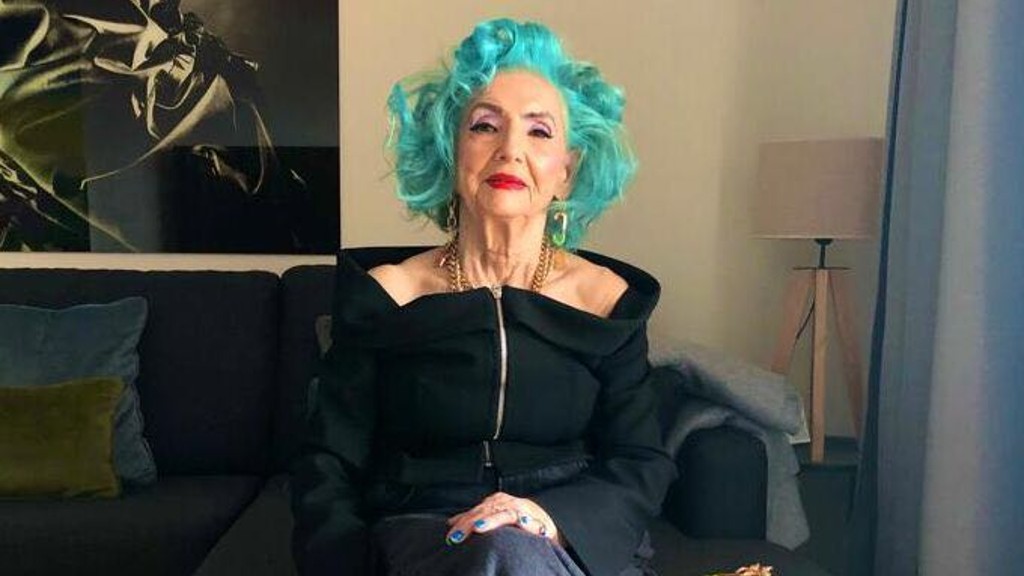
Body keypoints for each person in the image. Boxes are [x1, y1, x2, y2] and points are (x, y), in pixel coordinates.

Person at [290, 18, 676, 576]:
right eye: (485, 126)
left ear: (567, 173)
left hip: (563, 533)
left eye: (539, 132)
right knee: (499, 553)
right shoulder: (387, 296)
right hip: (423, 530)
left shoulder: (606, 301)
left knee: (511, 551)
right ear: (451, 153)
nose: (510, 150)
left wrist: (548, 519)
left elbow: (640, 461)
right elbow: (329, 463)